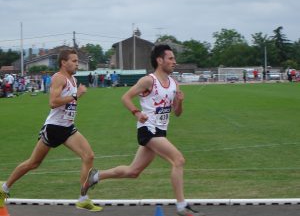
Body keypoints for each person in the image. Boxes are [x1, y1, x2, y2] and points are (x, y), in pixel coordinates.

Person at [81, 45, 204, 216]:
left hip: (160, 132)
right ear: (160, 60)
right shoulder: (149, 81)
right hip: (148, 130)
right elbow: (125, 97)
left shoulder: (174, 84)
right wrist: (137, 113)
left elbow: (177, 113)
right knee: (178, 160)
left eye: (174, 59)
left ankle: (96, 176)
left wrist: (180, 101)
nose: (174, 62)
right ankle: (182, 206)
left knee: (133, 172)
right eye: (170, 58)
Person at [0, 49, 102, 212]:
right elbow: (53, 102)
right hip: (54, 128)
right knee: (33, 163)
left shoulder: (73, 80)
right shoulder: (58, 78)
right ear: (63, 62)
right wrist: (76, 96)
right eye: (74, 61)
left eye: (77, 61)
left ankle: (83, 198)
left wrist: (74, 98)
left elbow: (68, 103)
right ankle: (3, 188)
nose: (77, 64)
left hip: (67, 127)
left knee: (88, 156)